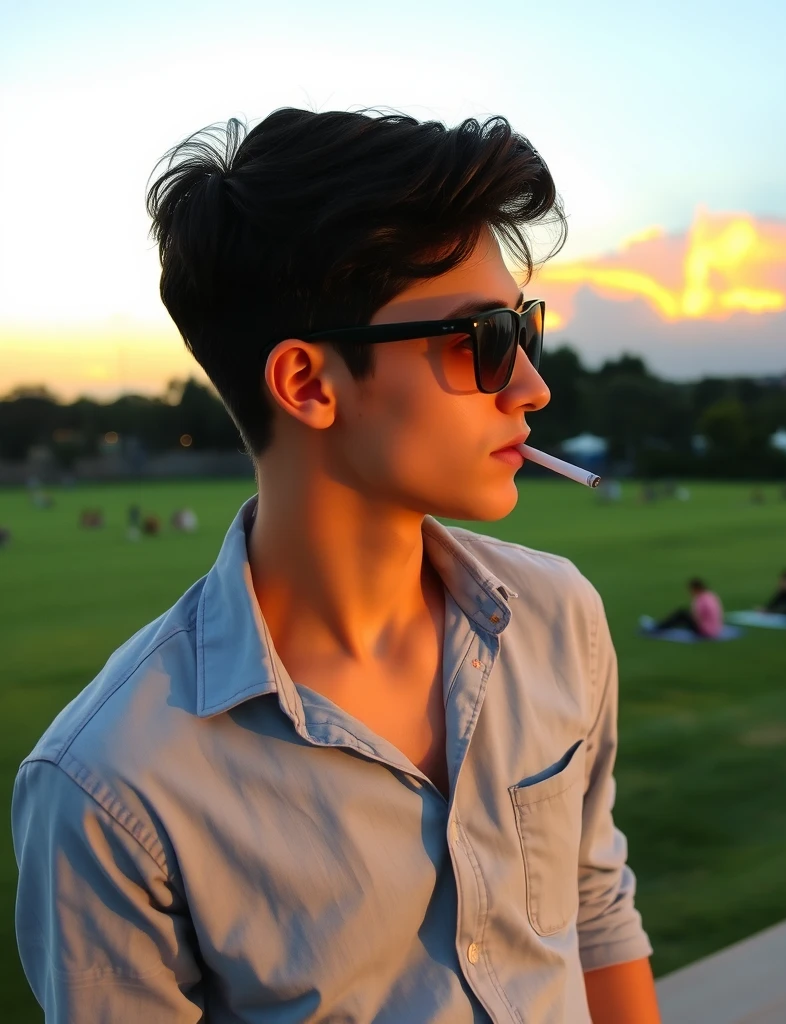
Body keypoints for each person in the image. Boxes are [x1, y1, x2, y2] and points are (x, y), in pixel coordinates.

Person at [11, 108, 658, 1023]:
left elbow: (594, 913)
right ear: (308, 384)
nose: (531, 385)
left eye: (523, 329)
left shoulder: (559, 616)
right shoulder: (110, 787)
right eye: (482, 341)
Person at [644, 577, 724, 638]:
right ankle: (661, 625)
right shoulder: (711, 595)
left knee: (681, 614)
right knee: (683, 615)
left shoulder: (701, 599)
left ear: (696, 588)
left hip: (706, 631)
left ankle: (658, 628)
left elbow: (697, 616)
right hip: (715, 628)